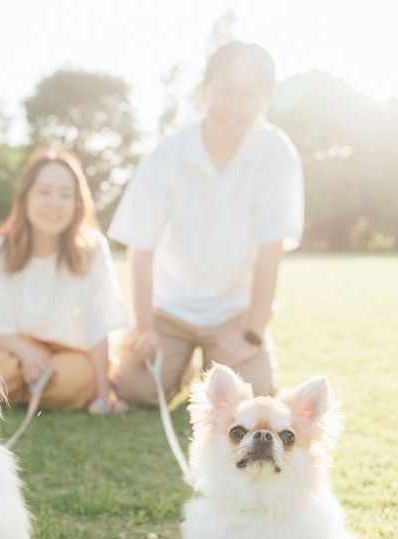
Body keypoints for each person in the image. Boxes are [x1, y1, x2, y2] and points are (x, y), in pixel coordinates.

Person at [108, 41, 304, 404]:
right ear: (204, 92)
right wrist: (145, 328)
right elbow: (141, 248)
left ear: (263, 102)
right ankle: (180, 364)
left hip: (235, 312)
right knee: (135, 388)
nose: (234, 105)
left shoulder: (276, 154)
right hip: (169, 308)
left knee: (253, 394)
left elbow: (271, 251)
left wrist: (251, 334)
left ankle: (211, 362)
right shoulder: (167, 154)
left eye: (248, 95)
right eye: (225, 91)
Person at [0, 146, 128, 414]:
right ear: (25, 196)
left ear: (77, 203)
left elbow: (99, 324)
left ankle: (20, 390)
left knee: (76, 379)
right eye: (44, 192)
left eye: (65, 195)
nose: (54, 203)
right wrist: (27, 354)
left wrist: (103, 395)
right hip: (12, 350)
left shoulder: (91, 249)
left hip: (67, 355)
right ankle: (24, 385)